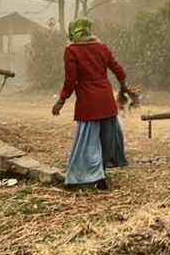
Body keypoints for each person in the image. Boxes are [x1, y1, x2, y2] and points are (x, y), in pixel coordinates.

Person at [51, 16, 129, 190]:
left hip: (88, 102)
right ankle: (100, 177)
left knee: (88, 142)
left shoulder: (71, 51)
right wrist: (124, 90)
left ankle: (82, 179)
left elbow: (71, 80)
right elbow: (119, 71)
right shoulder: (102, 48)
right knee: (104, 140)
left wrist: (61, 101)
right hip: (106, 100)